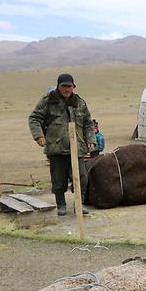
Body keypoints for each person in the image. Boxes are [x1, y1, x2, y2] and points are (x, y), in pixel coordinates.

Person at [28, 73, 95, 216]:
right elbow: (34, 118)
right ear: (58, 87)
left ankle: (79, 204)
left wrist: (91, 139)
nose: (66, 89)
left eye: (69, 86)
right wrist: (38, 136)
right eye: (63, 86)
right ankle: (61, 205)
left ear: (74, 87)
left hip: (77, 147)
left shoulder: (79, 102)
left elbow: (88, 123)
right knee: (59, 180)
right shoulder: (48, 101)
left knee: (82, 178)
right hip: (56, 147)